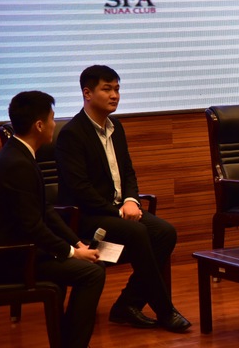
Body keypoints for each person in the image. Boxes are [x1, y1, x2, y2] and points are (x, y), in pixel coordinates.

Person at [55, 65, 191, 333]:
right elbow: (80, 189)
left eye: (117, 89)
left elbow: (128, 171)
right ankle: (165, 311)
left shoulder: (116, 127)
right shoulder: (72, 134)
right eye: (107, 89)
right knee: (137, 232)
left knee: (165, 232)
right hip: (86, 216)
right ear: (87, 93)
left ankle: (128, 304)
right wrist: (117, 211)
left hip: (117, 211)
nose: (115, 95)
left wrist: (131, 200)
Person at [0, 91, 105, 348]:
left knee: (90, 265)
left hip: (23, 251)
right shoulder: (17, 163)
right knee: (92, 273)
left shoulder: (19, 153)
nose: (53, 124)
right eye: (51, 118)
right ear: (39, 125)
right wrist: (72, 252)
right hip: (10, 259)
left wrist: (76, 243)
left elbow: (46, 210)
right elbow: (33, 226)